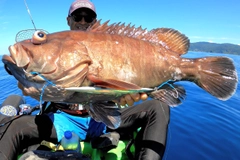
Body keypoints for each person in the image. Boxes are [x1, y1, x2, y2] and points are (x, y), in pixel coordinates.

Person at [0, 0, 170, 160]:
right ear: (68, 20)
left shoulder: (112, 46)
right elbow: (40, 84)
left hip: (103, 120)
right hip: (64, 121)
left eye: (88, 17)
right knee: (15, 127)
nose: (82, 21)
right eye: (77, 17)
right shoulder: (58, 45)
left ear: (94, 21)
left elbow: (124, 81)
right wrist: (36, 90)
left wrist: (126, 94)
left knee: (158, 107)